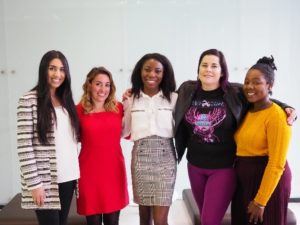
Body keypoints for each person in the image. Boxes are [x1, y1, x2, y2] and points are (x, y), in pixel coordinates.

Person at [174, 49, 296, 225]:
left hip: (224, 167)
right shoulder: (187, 89)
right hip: (195, 166)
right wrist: (136, 93)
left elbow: (264, 99)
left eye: (214, 66)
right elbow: (165, 99)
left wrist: (287, 107)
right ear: (198, 68)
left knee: (209, 221)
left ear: (222, 71)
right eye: (204, 65)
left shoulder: (235, 92)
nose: (208, 69)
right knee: (207, 217)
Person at [17, 50, 80, 225]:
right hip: (45, 179)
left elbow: (72, 138)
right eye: (52, 68)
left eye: (61, 70)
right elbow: (24, 146)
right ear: (43, 70)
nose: (57, 74)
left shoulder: (67, 100)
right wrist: (35, 185)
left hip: (68, 176)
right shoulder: (28, 100)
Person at [231, 56, 292, 225]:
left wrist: (260, 201)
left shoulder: (277, 116)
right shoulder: (246, 111)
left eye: (256, 82)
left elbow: (276, 164)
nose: (249, 86)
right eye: (247, 81)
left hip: (268, 182)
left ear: (269, 86)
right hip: (244, 181)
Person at [122, 53, 177, 225]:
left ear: (164, 74)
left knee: (161, 219)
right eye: (147, 70)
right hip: (140, 158)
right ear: (140, 72)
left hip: (165, 159)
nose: (152, 74)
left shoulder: (174, 98)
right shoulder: (131, 99)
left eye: (157, 71)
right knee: (144, 218)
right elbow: (124, 131)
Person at [76, 67, 129, 225]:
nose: (103, 89)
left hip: (113, 171)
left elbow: (130, 133)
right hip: (88, 173)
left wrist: (131, 102)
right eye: (98, 84)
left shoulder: (118, 108)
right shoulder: (78, 110)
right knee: (93, 221)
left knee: (113, 221)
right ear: (89, 84)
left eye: (107, 85)